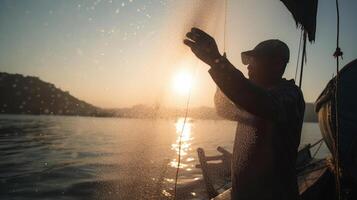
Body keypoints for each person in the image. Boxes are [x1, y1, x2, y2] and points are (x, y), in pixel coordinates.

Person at [184, 27, 305, 200]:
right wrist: (219, 71)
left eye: (253, 59)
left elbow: (262, 102)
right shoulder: (254, 99)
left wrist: (217, 61)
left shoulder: (290, 94)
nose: (247, 65)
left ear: (277, 64)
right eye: (246, 59)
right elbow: (223, 109)